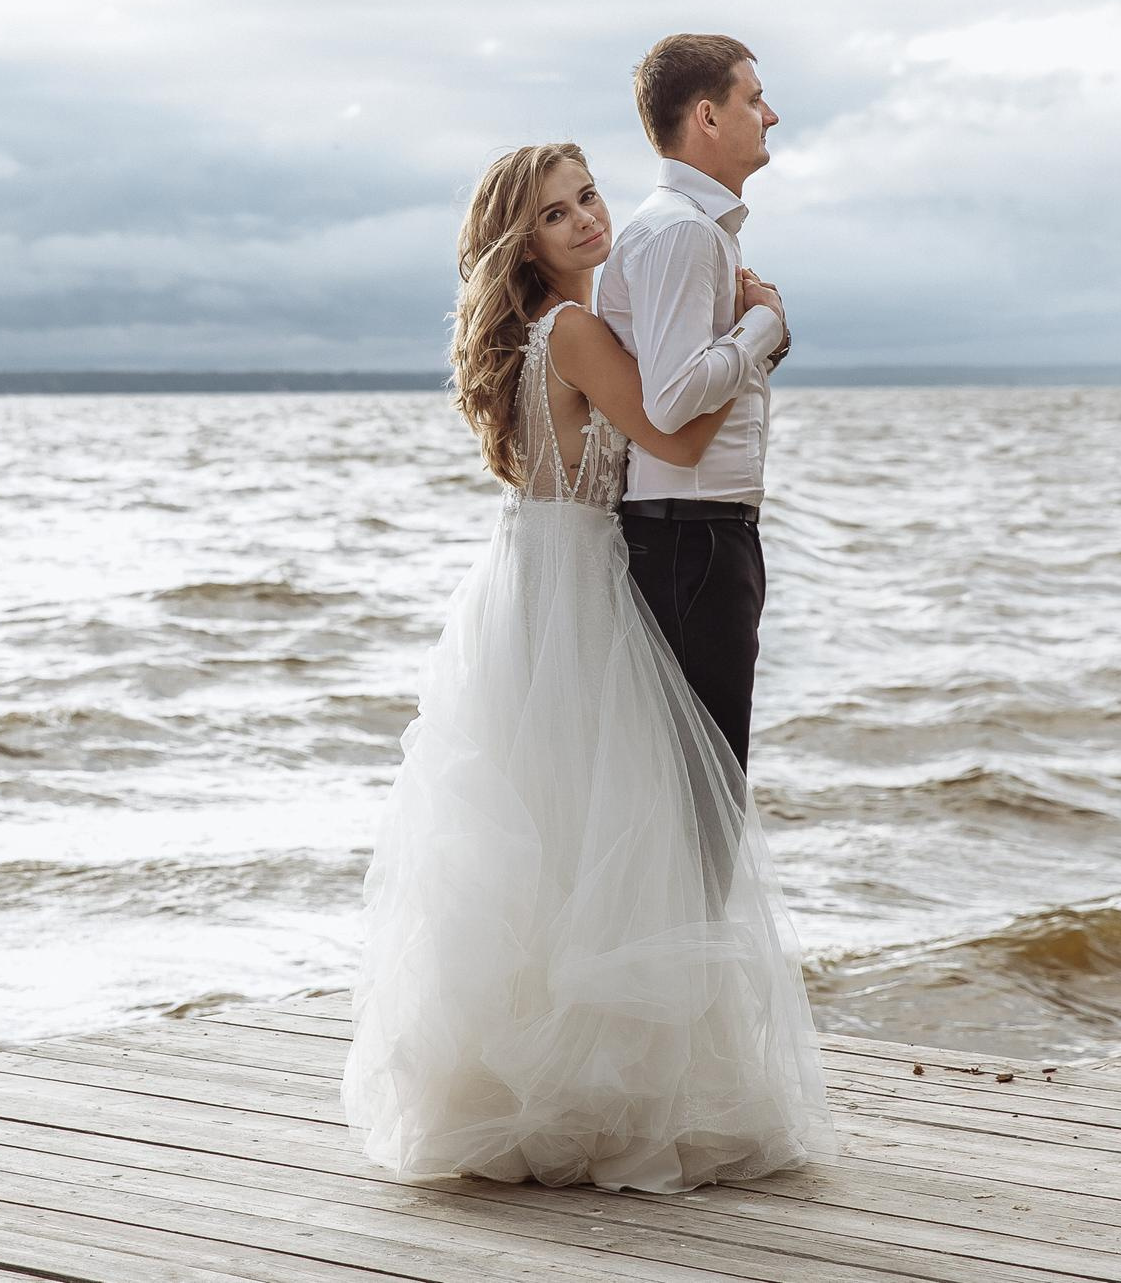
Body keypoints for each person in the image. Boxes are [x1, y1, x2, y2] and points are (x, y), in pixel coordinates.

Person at [340, 142, 836, 1194]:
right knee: (608, 829)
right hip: (576, 587)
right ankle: (599, 1095)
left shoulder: (544, 330)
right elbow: (678, 434)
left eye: (588, 196)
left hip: (527, 577)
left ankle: (533, 1085)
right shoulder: (567, 332)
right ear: (523, 243)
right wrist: (760, 330)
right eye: (557, 215)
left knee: (551, 837)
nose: (587, 221)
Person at [597, 34, 786, 776]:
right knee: (704, 803)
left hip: (701, 539)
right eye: (753, 97)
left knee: (700, 795)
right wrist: (765, 326)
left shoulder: (692, 229)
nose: (770, 115)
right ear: (707, 116)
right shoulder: (681, 232)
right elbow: (672, 400)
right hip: (693, 542)